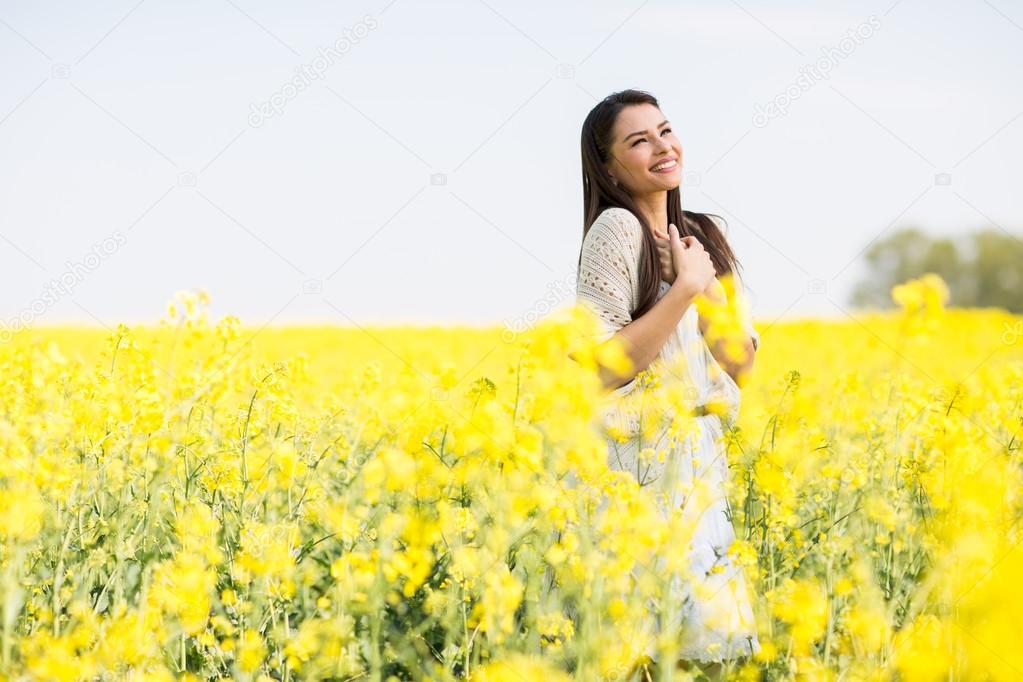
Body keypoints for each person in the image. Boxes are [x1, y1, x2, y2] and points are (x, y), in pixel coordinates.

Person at [575, 88, 762, 676]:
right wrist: (682, 292)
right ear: (609, 166)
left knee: (706, 658)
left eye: (665, 130)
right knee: (640, 657)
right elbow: (603, 367)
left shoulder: (703, 234)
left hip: (698, 473)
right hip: (637, 478)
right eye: (638, 140)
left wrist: (709, 297)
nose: (662, 147)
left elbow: (740, 367)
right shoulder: (615, 230)